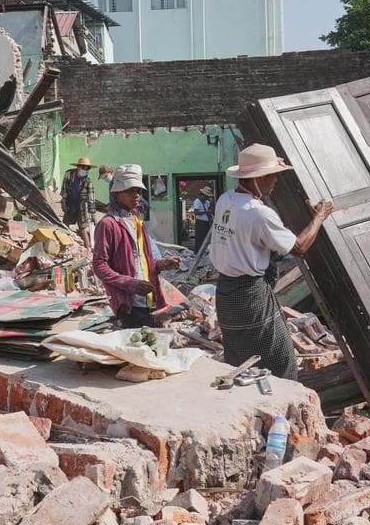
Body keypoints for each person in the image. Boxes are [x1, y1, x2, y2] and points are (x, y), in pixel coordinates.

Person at [210, 144, 333, 380]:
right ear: (258, 178)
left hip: (226, 292)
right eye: (273, 176)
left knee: (240, 358)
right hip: (250, 295)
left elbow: (249, 240)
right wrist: (319, 217)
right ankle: (280, 410)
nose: (275, 182)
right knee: (281, 359)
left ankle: (247, 405)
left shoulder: (225, 200)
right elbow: (299, 247)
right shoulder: (258, 213)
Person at [92, 164, 182, 328]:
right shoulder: (108, 224)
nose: (136, 195)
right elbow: (99, 266)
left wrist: (162, 263)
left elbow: (144, 261)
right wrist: (130, 283)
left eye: (138, 191)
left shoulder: (137, 221)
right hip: (128, 304)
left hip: (149, 299)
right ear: (117, 193)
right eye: (130, 190)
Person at [61, 157, 96, 248]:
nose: (86, 170)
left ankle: (87, 250)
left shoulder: (88, 181)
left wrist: (92, 213)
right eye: (84, 168)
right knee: (65, 225)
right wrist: (63, 201)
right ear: (78, 167)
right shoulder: (69, 174)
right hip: (70, 203)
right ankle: (65, 246)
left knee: (83, 229)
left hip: (82, 206)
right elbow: (64, 189)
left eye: (87, 168)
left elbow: (91, 197)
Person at [191, 185, 214, 252]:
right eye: (206, 196)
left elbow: (211, 210)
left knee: (207, 240)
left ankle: (204, 252)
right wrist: (207, 211)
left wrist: (211, 205)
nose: (207, 198)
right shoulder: (197, 201)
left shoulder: (207, 202)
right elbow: (196, 212)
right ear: (203, 195)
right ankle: (198, 253)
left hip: (207, 223)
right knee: (200, 239)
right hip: (200, 223)